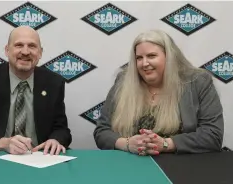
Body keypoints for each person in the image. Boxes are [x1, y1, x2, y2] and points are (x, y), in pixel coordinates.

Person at [94, 30, 224, 155]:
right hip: (130, 165)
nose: (144, 63)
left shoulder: (198, 82)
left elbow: (213, 135)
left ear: (170, 57)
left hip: (183, 167)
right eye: (139, 58)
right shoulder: (123, 81)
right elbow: (102, 131)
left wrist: (166, 144)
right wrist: (127, 144)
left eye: (151, 56)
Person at [0, 26, 72, 155]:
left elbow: (61, 129)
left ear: (40, 52)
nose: (25, 52)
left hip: (39, 159)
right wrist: (2, 143)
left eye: (32, 46)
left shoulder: (54, 83)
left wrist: (55, 140)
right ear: (7, 50)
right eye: (19, 45)